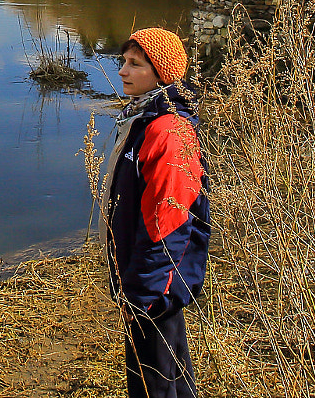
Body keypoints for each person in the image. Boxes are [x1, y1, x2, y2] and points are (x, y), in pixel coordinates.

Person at [100, 27, 209, 398]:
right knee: (168, 374)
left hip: (154, 285)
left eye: (135, 64)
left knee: (155, 382)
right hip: (145, 278)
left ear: (160, 74)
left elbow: (170, 221)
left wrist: (143, 291)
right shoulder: (144, 119)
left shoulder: (166, 132)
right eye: (123, 62)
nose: (123, 72)